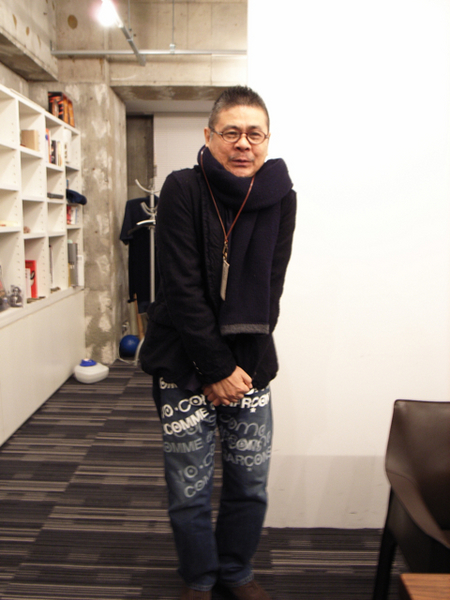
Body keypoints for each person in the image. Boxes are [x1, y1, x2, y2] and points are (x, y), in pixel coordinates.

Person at [140, 85, 296, 600]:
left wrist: (235, 371)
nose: (243, 143)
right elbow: (181, 290)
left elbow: (270, 292)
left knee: (249, 483)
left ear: (267, 139)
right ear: (209, 136)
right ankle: (200, 578)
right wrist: (215, 370)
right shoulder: (183, 188)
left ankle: (236, 571)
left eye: (254, 134)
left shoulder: (281, 196)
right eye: (231, 132)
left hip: (249, 364)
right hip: (183, 363)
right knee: (190, 487)